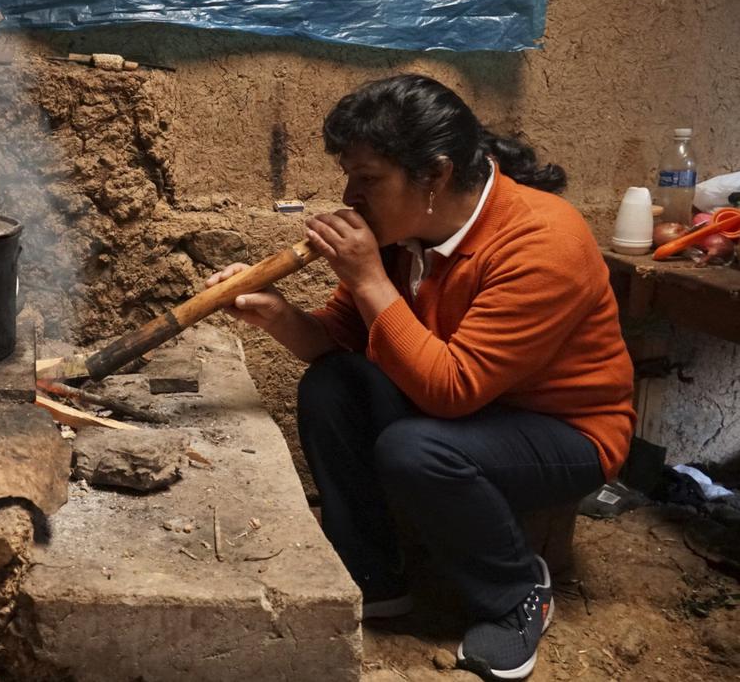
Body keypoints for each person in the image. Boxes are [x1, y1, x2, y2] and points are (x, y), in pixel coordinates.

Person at [207, 74, 634, 680]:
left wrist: (369, 280)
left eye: (369, 179)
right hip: (468, 411)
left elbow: (451, 393)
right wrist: (272, 311)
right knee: (333, 385)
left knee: (415, 449)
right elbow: (341, 339)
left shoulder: (543, 240)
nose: (350, 196)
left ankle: (517, 595)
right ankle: (375, 576)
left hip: (565, 433)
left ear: (433, 176)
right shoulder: (403, 234)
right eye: (349, 176)